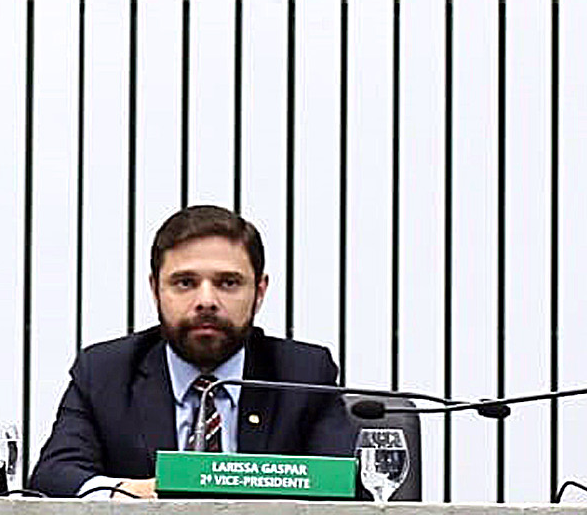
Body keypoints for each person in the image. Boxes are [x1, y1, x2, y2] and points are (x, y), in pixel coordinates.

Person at [30, 204, 357, 496]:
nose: (206, 301)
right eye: (185, 282)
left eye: (228, 283)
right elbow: (55, 477)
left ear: (259, 291)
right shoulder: (105, 371)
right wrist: (128, 493)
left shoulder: (303, 375)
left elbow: (346, 486)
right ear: (156, 290)